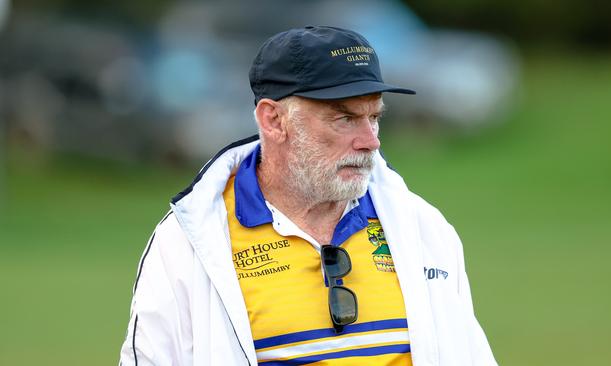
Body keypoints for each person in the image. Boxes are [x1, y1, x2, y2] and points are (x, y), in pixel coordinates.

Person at [119, 26, 497, 366]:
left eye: (374, 117)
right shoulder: (186, 244)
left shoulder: (424, 227)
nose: (371, 141)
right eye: (344, 119)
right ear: (273, 120)